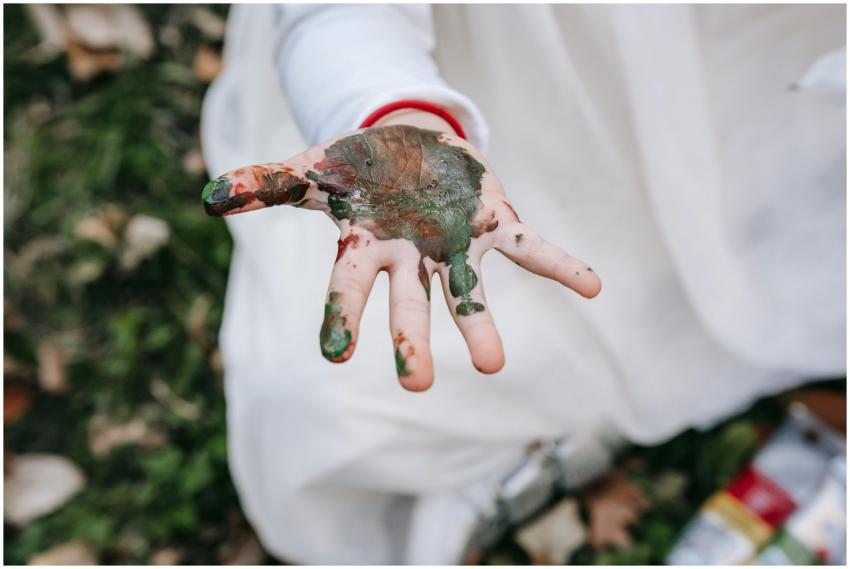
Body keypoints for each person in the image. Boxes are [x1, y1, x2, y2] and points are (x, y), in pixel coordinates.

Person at [200, 4, 845, 564]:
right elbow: (340, 12)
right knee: (326, 410)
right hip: (504, 69)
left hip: (772, 80)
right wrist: (394, 108)